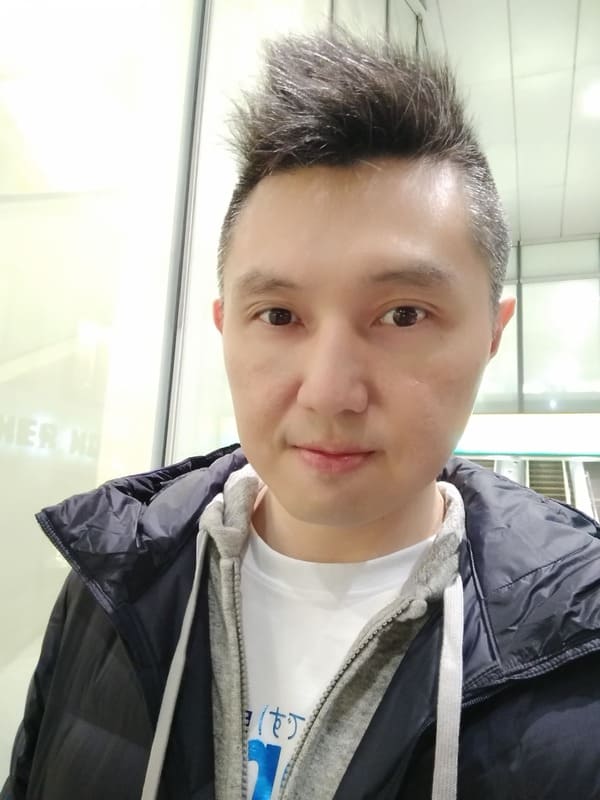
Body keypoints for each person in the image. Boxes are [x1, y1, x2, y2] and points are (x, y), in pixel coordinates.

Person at [3, 29, 600, 800]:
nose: (328, 392)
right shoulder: (110, 584)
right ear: (226, 327)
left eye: (404, 315)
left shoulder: (577, 660)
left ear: (492, 334)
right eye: (279, 316)